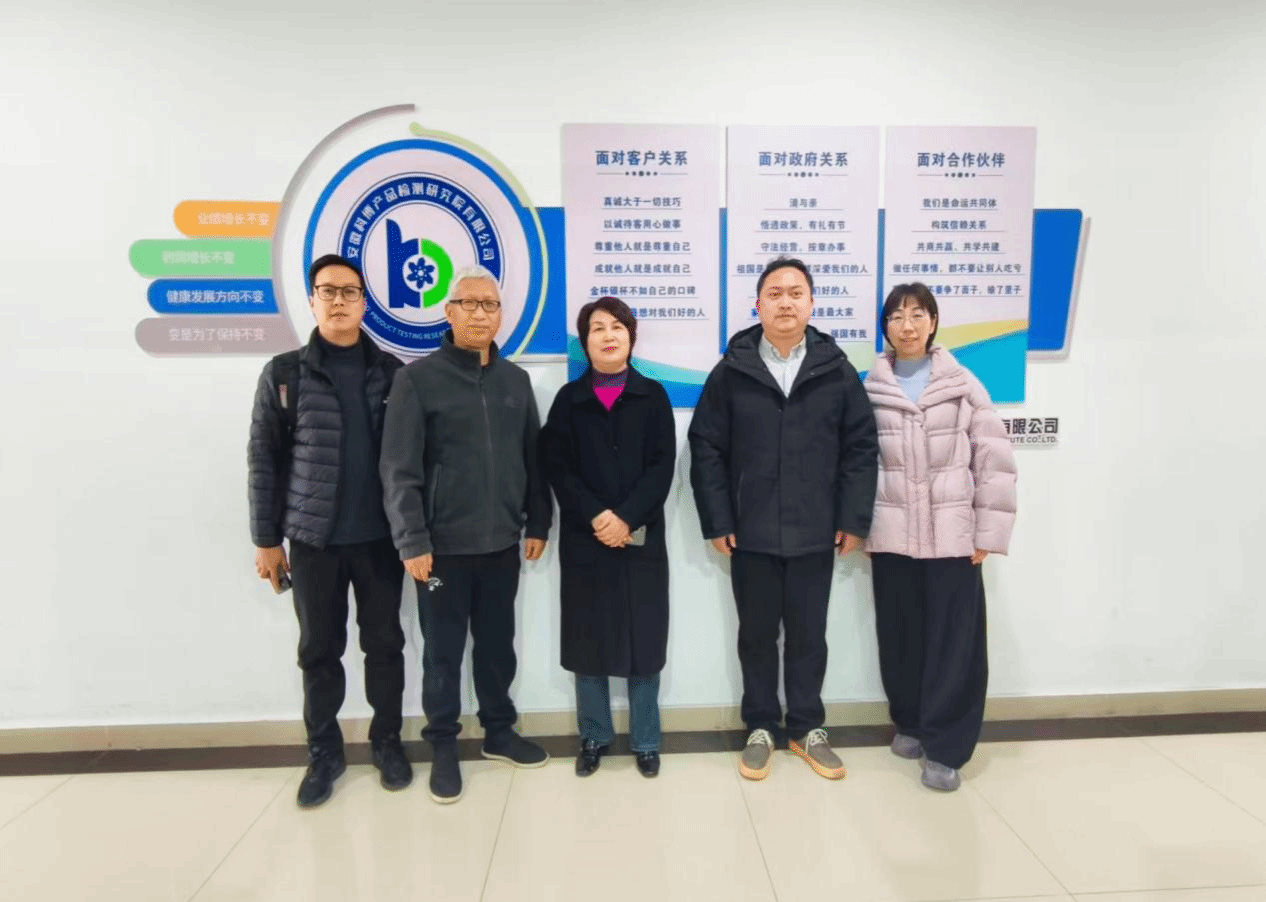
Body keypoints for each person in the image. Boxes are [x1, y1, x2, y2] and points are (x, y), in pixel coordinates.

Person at [689, 256, 878, 782]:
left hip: (816, 530)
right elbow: (706, 447)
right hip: (750, 532)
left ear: (812, 304)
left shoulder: (836, 370)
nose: (786, 302)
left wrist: (853, 518)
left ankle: (807, 728)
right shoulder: (732, 370)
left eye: (796, 293)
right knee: (755, 636)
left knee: (808, 636)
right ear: (759, 305)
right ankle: (759, 726)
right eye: (775, 294)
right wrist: (718, 519)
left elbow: (861, 448)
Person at [380, 265, 553, 804]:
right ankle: (443, 746)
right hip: (441, 553)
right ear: (449, 311)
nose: (480, 314)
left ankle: (499, 732)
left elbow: (533, 457)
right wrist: (412, 541)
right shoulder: (416, 380)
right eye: (469, 303)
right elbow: (399, 469)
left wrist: (538, 521)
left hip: (502, 545)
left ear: (500, 315)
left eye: (490, 305)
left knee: (498, 647)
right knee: (443, 653)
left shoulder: (515, 381)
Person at [247, 253, 411, 808]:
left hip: (380, 540)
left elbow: (411, 459)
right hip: (313, 541)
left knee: (385, 646)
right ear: (312, 301)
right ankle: (324, 754)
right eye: (328, 291)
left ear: (364, 302)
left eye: (349, 291)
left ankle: (387, 744)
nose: (339, 301)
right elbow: (263, 460)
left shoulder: (392, 372)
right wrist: (266, 540)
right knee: (318, 651)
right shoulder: (285, 374)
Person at [864, 282, 1017, 792]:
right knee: (900, 637)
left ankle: (947, 746)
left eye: (917, 315)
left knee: (955, 645)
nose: (906, 326)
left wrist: (988, 531)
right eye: (896, 317)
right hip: (892, 537)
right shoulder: (870, 388)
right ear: (885, 328)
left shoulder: (962, 383)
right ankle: (910, 722)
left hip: (953, 540)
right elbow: (856, 463)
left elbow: (994, 461)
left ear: (933, 322)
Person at [539, 297, 676, 779]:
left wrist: (627, 518)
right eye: (597, 328)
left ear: (631, 336)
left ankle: (646, 740)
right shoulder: (568, 400)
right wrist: (598, 515)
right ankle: (594, 737)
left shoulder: (653, 397)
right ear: (586, 342)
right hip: (586, 540)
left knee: (645, 642)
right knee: (588, 642)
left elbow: (662, 467)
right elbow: (557, 466)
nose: (608, 335)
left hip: (641, 541)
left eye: (617, 326)